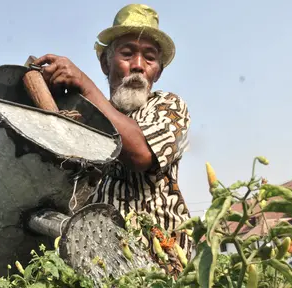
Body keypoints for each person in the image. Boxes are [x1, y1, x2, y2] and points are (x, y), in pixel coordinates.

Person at [33, 3, 192, 266]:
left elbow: (140, 154)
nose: (138, 65)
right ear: (105, 63)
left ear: (159, 71)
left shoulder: (168, 107)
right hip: (98, 270)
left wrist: (84, 84)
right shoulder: (86, 121)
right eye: (127, 54)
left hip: (159, 270)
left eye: (150, 58)